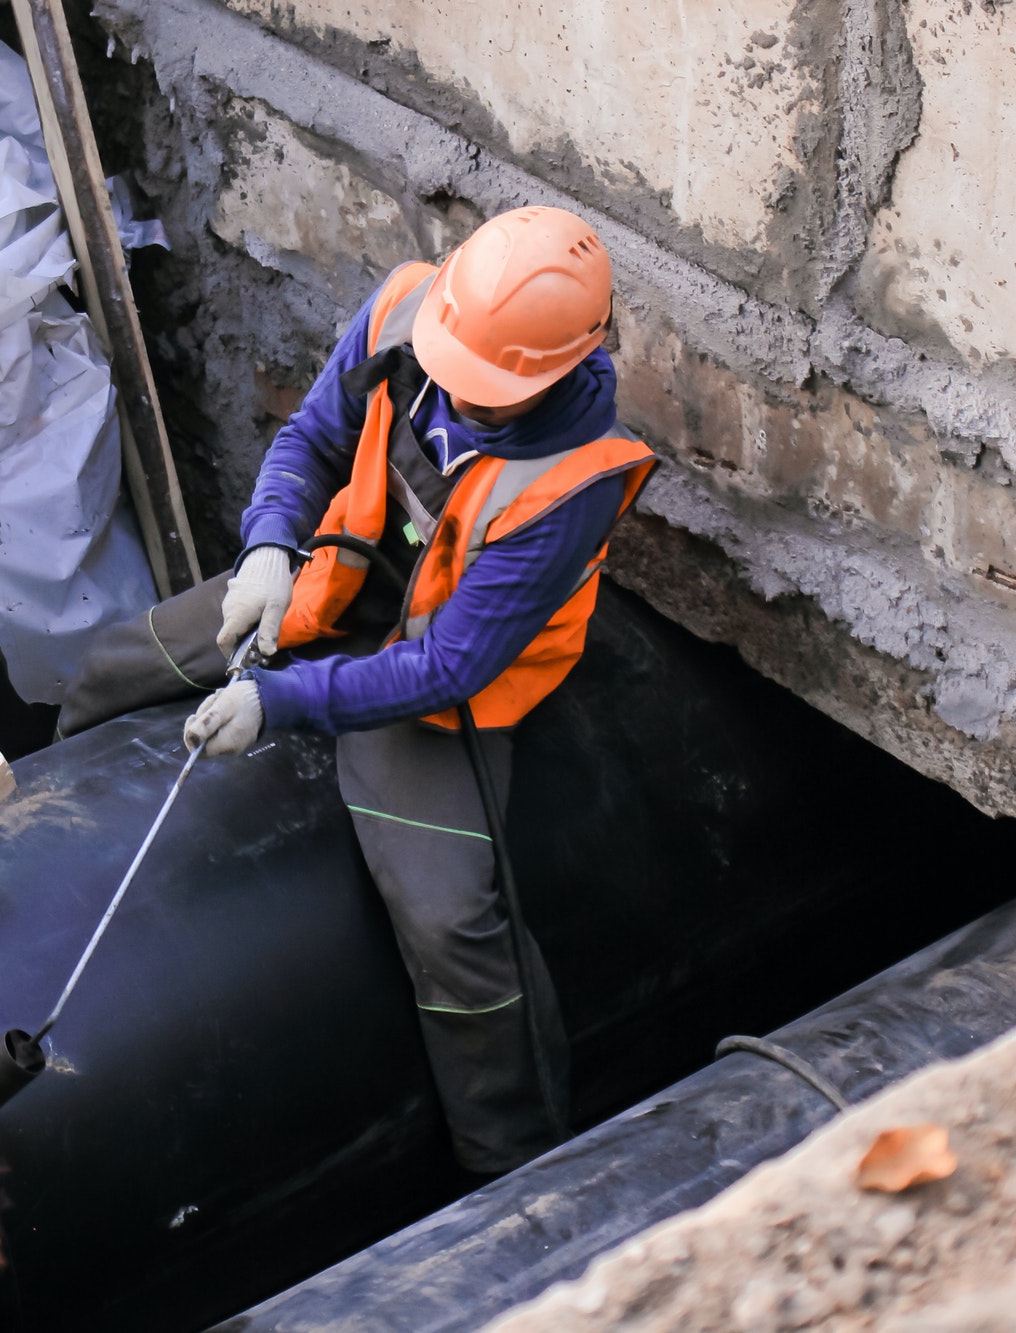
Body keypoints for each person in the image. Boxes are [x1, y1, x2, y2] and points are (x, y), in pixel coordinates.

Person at [181, 206, 657, 1172]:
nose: (455, 392)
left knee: (451, 922)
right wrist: (269, 543)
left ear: (557, 371)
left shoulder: (570, 484)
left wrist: (281, 701)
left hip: (438, 678)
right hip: (336, 578)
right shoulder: (408, 308)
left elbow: (449, 666)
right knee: (125, 659)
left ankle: (517, 1161)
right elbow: (313, 438)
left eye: (486, 392)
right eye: (452, 366)